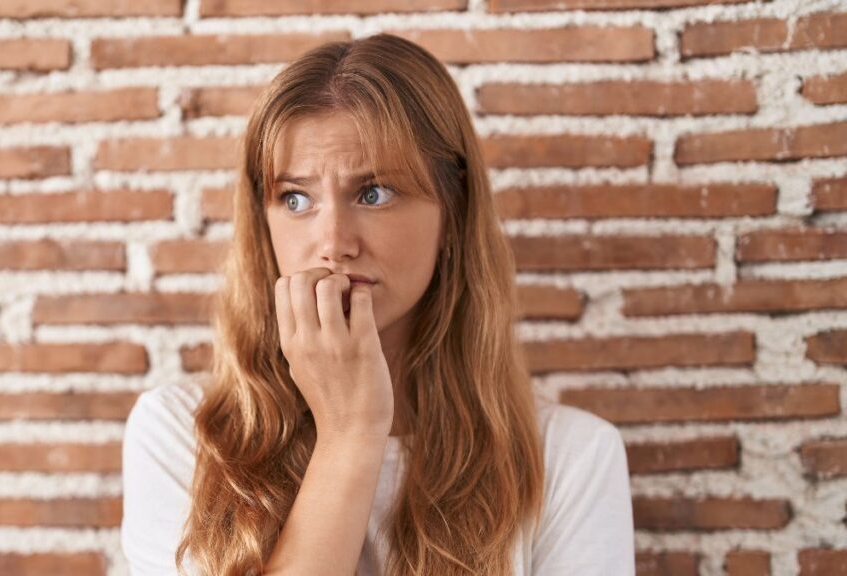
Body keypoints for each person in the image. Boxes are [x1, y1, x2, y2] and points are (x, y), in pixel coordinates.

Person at [122, 33, 635, 575]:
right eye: (296, 199)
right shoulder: (184, 438)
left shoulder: (571, 459)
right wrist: (349, 435)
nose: (333, 241)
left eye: (374, 194)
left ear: (452, 209)